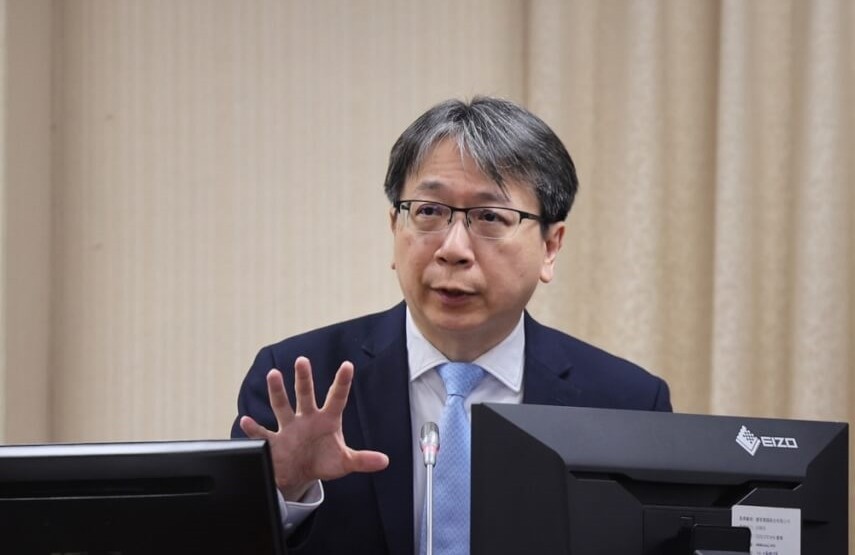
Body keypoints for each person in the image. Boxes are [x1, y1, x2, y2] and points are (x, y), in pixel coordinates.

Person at [231, 96, 672, 555]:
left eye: (490, 217)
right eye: (429, 212)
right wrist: (284, 492)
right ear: (395, 228)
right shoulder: (297, 384)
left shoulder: (627, 405)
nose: (453, 249)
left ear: (550, 247)